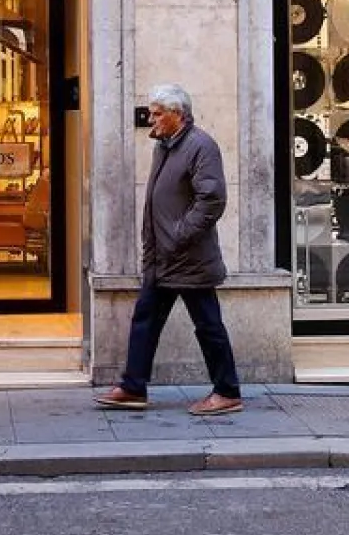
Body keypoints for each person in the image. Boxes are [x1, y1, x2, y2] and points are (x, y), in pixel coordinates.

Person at [94, 84, 243, 417]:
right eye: (151, 113)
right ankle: (134, 386)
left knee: (208, 325)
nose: (151, 120)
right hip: (162, 258)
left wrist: (178, 236)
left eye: (157, 114)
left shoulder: (201, 146)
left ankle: (227, 391)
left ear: (178, 114)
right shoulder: (164, 146)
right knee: (145, 320)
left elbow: (212, 200)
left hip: (189, 257)